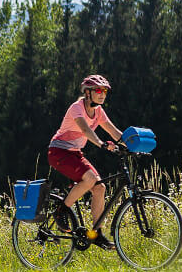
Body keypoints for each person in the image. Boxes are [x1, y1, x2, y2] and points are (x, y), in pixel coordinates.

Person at [48, 74, 125, 249]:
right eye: (98, 90)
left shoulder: (98, 111)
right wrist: (100, 144)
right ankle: (60, 211)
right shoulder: (77, 108)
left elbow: (115, 132)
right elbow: (85, 129)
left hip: (74, 153)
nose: (102, 94)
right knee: (90, 179)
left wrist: (132, 145)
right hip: (58, 151)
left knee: (99, 188)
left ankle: (96, 233)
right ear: (87, 92)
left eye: (104, 91)